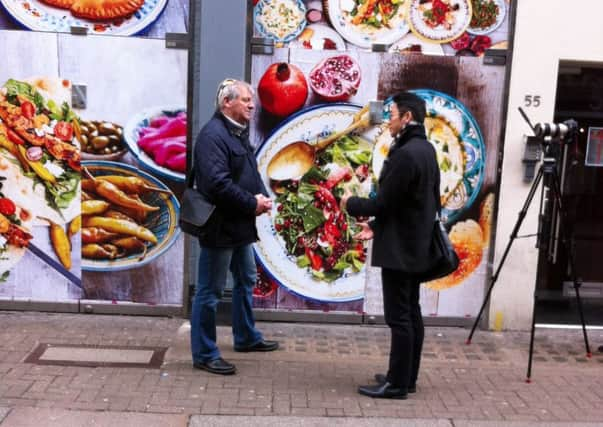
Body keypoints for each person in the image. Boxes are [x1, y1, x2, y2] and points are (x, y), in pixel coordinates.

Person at [341, 91, 440, 399]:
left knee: (399, 317)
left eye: (392, 114)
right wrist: (374, 226)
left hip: (400, 249)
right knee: (411, 312)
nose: (388, 120)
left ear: (407, 117)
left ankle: (396, 385)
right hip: (414, 243)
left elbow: (384, 203)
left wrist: (351, 203)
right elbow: (408, 203)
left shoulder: (406, 154)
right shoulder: (426, 150)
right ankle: (406, 376)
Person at [190, 79, 278, 375]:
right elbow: (217, 185)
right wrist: (252, 204)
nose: (252, 104)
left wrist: (261, 198)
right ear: (226, 103)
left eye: (252, 99)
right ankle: (204, 353)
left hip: (239, 226)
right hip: (219, 227)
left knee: (246, 279)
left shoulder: (236, 132)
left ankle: (245, 337)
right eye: (245, 99)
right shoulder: (212, 136)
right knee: (210, 292)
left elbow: (246, 172)